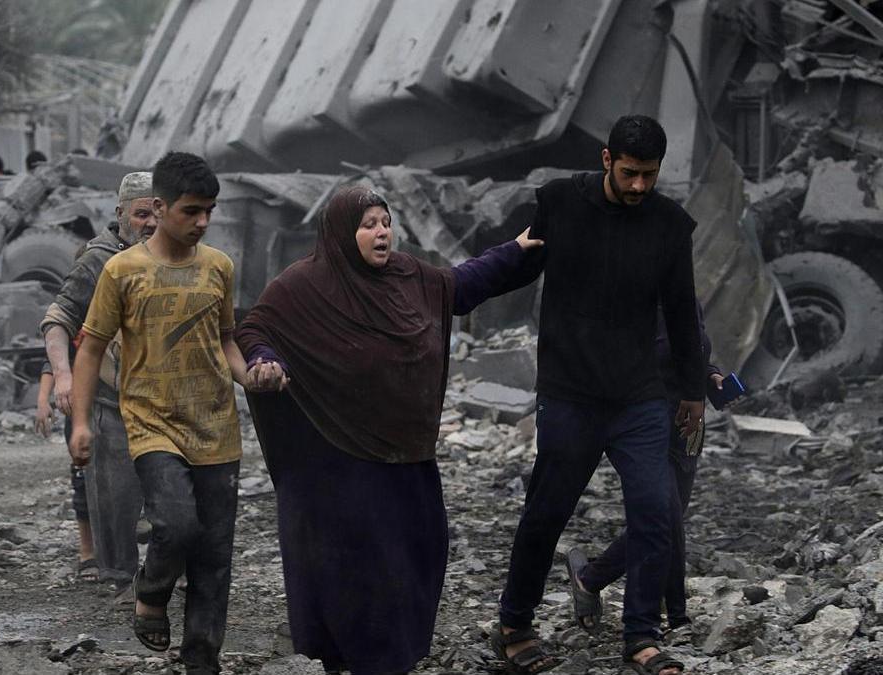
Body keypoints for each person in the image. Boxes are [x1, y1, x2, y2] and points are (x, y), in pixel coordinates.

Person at [236, 185, 544, 675]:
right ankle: (361, 661)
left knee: (419, 553)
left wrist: (516, 250)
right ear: (341, 233)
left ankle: (394, 658)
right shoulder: (303, 286)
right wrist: (265, 360)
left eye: (385, 222)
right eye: (368, 225)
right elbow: (255, 330)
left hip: (406, 454)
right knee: (358, 570)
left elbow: (460, 286)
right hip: (338, 460)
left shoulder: (409, 276)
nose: (381, 233)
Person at [493, 115, 704, 675]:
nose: (639, 187)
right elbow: (519, 267)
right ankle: (515, 623)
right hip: (570, 393)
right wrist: (448, 290)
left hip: (637, 397)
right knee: (547, 511)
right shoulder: (559, 203)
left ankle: (641, 636)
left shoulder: (668, 225)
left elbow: (683, 311)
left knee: (657, 511)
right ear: (607, 160)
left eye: (650, 176)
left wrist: (692, 391)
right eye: (631, 173)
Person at [68, 151, 280, 674]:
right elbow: (91, 347)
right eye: (191, 211)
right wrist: (78, 421)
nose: (202, 221)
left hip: (216, 427)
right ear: (159, 208)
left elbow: (226, 340)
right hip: (152, 423)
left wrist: (248, 374)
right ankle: (153, 586)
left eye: (209, 210)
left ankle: (202, 659)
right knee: (177, 525)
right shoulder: (122, 270)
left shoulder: (219, 267)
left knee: (214, 558)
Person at [566, 306, 729, 634]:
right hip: (643, 425)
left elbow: (696, 344)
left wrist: (710, 376)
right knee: (663, 517)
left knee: (670, 519)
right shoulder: (629, 295)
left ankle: (590, 579)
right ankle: (676, 616)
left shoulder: (683, 292)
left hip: (686, 429)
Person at [40, 172, 157, 586]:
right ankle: (117, 582)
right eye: (141, 213)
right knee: (113, 508)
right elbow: (58, 318)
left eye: (158, 211)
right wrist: (63, 376)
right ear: (121, 213)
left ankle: (160, 577)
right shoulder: (99, 259)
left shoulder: (181, 254)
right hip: (112, 399)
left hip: (167, 401)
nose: (151, 223)